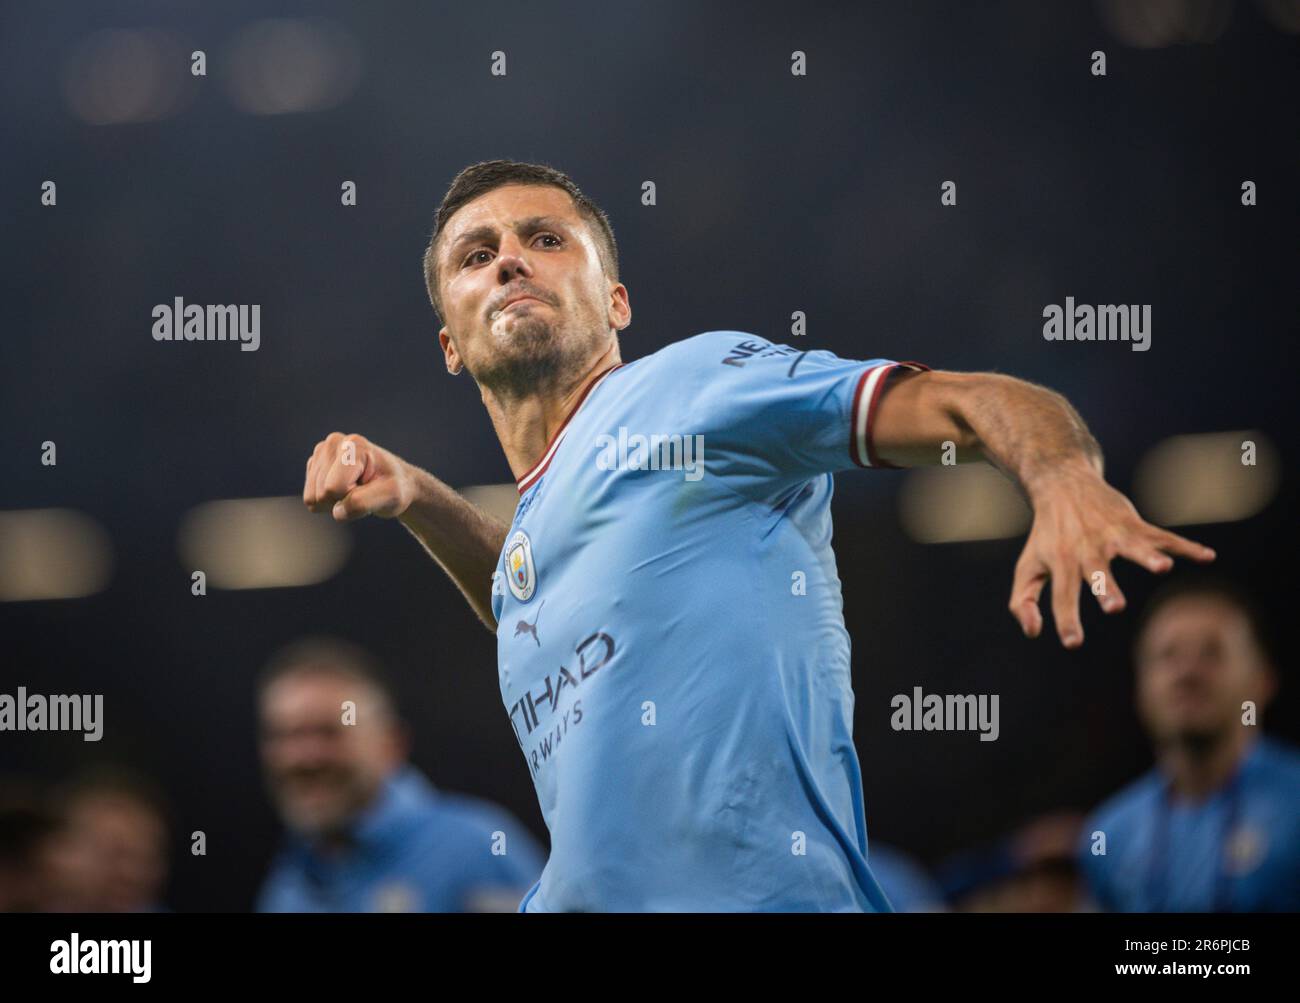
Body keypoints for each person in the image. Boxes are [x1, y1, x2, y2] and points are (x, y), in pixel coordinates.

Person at [300, 159, 1216, 911]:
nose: (509, 261)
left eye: (545, 239)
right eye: (476, 254)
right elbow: (536, 602)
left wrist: (1060, 476)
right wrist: (418, 495)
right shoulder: (545, 528)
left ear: (617, 302)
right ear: (450, 344)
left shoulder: (694, 389)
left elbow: (977, 401)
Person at [256, 637, 543, 912]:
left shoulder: (475, 849)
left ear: (390, 745)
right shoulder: (289, 881)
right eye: (284, 736)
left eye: (328, 732)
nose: (305, 758)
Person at [1080, 578, 1300, 911]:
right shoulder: (1108, 834)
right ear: (1141, 688)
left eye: (1212, 653)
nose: (1187, 672)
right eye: (1168, 656)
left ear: (1262, 682)